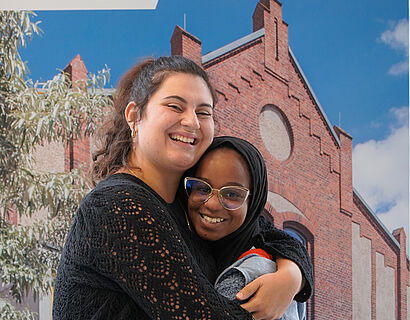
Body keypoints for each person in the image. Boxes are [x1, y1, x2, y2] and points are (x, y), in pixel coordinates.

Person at [52, 56, 312, 320]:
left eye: (203, 112)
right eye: (175, 106)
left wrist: (292, 276)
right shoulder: (116, 205)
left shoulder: (184, 200)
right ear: (134, 116)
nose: (192, 122)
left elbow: (273, 235)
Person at [183, 136, 311, 320]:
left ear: (254, 204)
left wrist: (292, 276)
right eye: (202, 188)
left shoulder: (252, 278)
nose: (211, 204)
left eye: (232, 194)